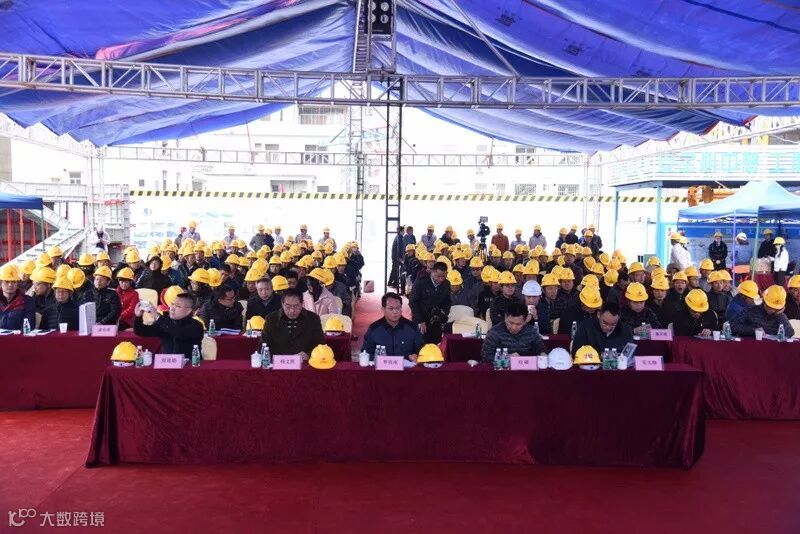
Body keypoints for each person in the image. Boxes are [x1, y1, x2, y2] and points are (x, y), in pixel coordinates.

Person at [261, 288, 326, 358]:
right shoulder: (271, 319)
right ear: (282, 304)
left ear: (302, 304)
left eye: (296, 306)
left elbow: (321, 345)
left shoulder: (313, 319)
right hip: (278, 362)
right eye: (288, 306)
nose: (292, 310)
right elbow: (263, 345)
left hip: (304, 362)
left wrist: (308, 354)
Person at [134, 292, 204, 357]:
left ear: (189, 310)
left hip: (190, 364)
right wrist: (138, 317)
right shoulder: (165, 321)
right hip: (167, 363)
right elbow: (140, 331)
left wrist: (157, 316)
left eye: (178, 306)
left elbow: (178, 332)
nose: (172, 308)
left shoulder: (196, 325)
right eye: (172, 304)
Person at [361, 292, 425, 359]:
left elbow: (421, 350)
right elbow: (365, 353)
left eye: (398, 308)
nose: (395, 312)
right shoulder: (374, 329)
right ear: (383, 309)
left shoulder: (412, 328)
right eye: (391, 308)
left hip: (407, 365)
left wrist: (415, 356)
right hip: (381, 365)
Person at [480, 301, 547, 363]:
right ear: (505, 317)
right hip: (503, 368)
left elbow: (541, 350)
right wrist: (507, 357)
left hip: (525, 368)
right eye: (511, 323)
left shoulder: (531, 332)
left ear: (525, 321)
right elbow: (486, 356)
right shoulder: (494, 332)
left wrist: (543, 354)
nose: (514, 327)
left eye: (518, 324)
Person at [409, 261, 451, 343]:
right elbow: (413, 302)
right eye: (438, 276)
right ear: (432, 272)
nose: (441, 279)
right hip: (421, 318)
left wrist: (444, 313)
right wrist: (420, 320)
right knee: (421, 344)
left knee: (436, 344)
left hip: (436, 320)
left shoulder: (446, 284)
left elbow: (447, 301)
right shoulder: (421, 282)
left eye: (443, 276)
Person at [0, 263, 35, 330]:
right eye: (7, 282)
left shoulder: (27, 301)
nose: (10, 285)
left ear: (17, 284)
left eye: (13, 282)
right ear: (1, 283)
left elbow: (29, 325)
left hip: (18, 336)